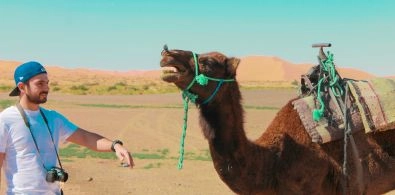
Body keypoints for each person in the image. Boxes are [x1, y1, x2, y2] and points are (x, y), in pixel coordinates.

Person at [0, 61, 135, 194]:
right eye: (40, 83)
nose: (46, 88)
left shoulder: (53, 118)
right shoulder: (5, 120)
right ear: (22, 87)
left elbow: (85, 138)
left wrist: (115, 145)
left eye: (47, 83)